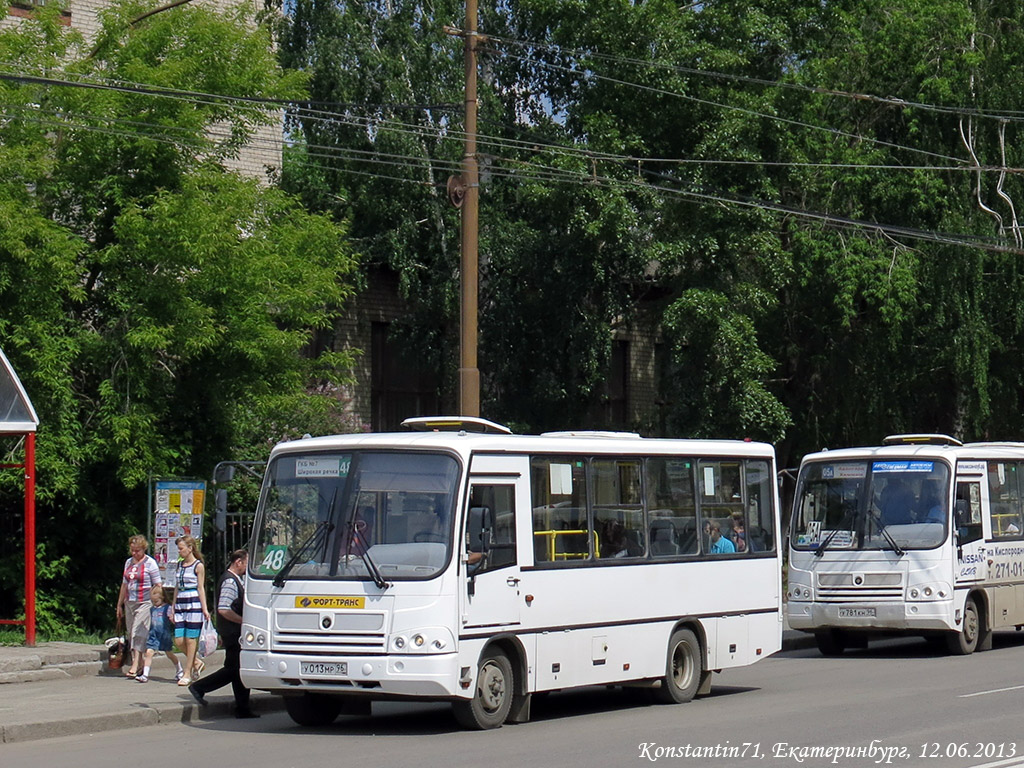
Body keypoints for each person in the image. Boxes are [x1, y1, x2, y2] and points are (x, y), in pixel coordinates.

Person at [189, 549, 258, 718]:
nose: (247, 567)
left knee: (237, 669)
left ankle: (242, 708)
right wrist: (244, 621)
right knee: (234, 669)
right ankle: (199, 687)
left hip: (233, 631)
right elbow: (224, 609)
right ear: (238, 562)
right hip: (233, 632)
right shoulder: (229, 581)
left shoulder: (236, 580)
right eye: (246, 563)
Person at [115, 534, 162, 678]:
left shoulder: (150, 563)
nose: (134, 553)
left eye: (137, 550)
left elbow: (158, 584)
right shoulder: (128, 562)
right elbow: (124, 584)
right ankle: (141, 663)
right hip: (130, 602)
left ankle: (135, 665)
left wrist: (158, 602)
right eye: (132, 550)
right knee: (131, 632)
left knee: (138, 632)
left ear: (143, 549)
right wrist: (119, 605)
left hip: (145, 602)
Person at [172, 535, 209, 686]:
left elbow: (200, 587)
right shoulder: (179, 565)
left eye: (181, 548)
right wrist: (173, 605)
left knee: (190, 639)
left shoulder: (198, 566)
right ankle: (196, 662)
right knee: (179, 640)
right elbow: (176, 586)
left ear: (190, 548)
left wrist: (205, 609)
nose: (179, 551)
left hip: (193, 601)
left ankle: (187, 672)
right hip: (181, 601)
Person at [137, 586, 183, 683]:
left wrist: (173, 620)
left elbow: (173, 620)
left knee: (169, 654)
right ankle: (145, 675)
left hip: (164, 635)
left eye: (156, 601)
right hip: (154, 634)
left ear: (162, 598)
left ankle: (179, 669)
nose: (155, 604)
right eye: (153, 602)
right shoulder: (152, 609)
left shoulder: (168, 608)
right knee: (149, 652)